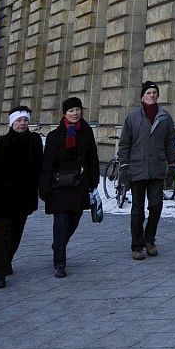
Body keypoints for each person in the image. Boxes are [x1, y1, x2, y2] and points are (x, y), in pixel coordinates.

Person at [0, 106, 44, 289]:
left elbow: (40, 167)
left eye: (25, 120)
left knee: (16, 233)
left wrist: (41, 189)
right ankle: (0, 272)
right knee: (2, 234)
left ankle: (6, 261)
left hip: (24, 197)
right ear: (11, 123)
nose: (22, 123)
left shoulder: (34, 142)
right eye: (18, 120)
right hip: (2, 197)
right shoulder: (1, 144)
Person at [39, 96, 99, 278]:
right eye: (71, 110)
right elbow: (47, 164)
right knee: (60, 223)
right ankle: (60, 263)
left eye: (78, 110)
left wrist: (93, 181)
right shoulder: (54, 136)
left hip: (79, 184)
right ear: (64, 113)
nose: (75, 113)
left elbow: (92, 158)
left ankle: (59, 244)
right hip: (59, 186)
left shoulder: (86, 132)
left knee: (74, 219)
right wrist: (44, 188)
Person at [116, 80, 175, 260]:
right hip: (137, 169)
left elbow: (170, 143)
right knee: (137, 211)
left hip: (157, 169)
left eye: (154, 93)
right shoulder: (133, 117)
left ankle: (149, 240)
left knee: (156, 206)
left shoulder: (165, 117)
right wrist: (124, 167)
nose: (152, 96)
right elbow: (125, 144)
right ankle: (137, 246)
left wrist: (171, 165)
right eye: (148, 93)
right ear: (142, 96)